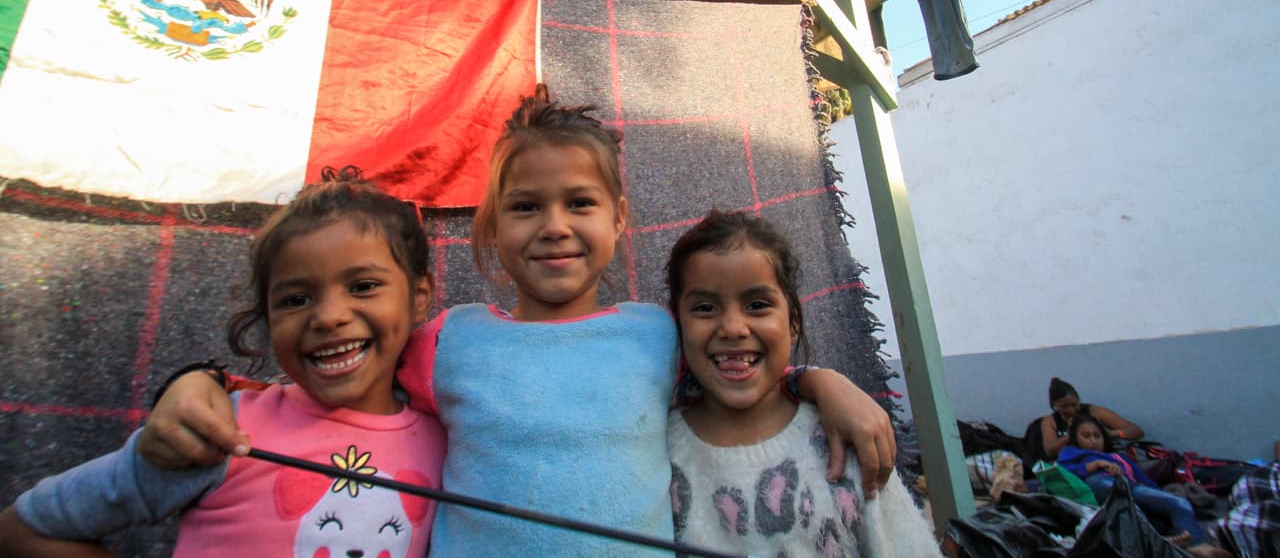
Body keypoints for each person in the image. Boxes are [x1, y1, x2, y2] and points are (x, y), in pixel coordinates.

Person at [137, 88, 896, 556]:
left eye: (579, 202)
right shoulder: (447, 342)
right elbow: (330, 372)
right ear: (492, 226)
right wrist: (202, 382)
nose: (554, 225)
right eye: (527, 206)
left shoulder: (656, 335)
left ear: (619, 219)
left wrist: (821, 380)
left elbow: (735, 366)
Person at [0, 172, 445, 558]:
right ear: (268, 319)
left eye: (363, 285)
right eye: (295, 299)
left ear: (419, 297)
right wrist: (200, 381)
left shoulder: (453, 441)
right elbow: (23, 532)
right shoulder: (214, 430)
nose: (328, 316)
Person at [664, 210, 940, 556]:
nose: (733, 327)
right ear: (677, 324)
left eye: (757, 305)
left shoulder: (840, 440)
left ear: (793, 322)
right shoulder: (657, 455)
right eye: (705, 308)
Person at [1059, 413, 1207, 547]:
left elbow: (1146, 483)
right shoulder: (1072, 453)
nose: (1093, 441)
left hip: (1133, 489)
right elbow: (1063, 473)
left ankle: (1195, 546)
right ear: (1076, 438)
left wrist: (1160, 495)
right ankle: (1158, 540)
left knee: (1179, 503)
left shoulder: (1120, 458)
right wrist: (1096, 464)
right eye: (1086, 436)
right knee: (1113, 490)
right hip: (1101, 484)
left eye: (1097, 436)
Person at [1028, 376, 1145, 465]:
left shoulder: (1095, 412)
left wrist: (1113, 434)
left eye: (1074, 404)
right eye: (1064, 407)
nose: (1071, 410)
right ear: (1055, 405)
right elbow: (1049, 451)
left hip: (1106, 460)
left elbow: (1136, 430)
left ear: (1079, 399)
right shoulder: (1050, 422)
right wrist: (1070, 435)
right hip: (1076, 466)